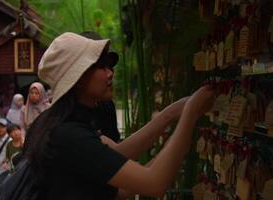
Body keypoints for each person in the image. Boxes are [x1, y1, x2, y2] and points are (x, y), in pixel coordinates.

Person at [25, 32, 215, 199]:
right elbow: (155, 183)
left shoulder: (61, 124)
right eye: (100, 66)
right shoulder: (69, 136)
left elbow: (119, 169)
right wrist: (190, 113)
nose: (110, 73)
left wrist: (171, 114)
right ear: (78, 78)